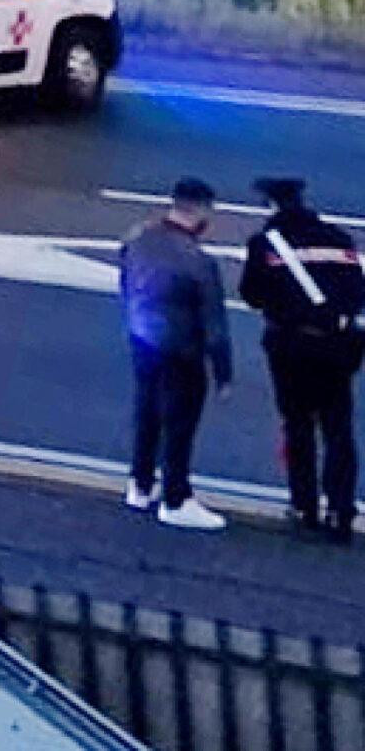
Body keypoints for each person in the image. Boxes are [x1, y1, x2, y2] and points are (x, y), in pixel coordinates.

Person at [239, 176, 363, 542]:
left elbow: (252, 295)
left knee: (298, 424)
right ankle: (341, 510)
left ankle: (305, 506)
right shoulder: (339, 239)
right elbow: (358, 292)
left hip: (290, 346)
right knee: (338, 428)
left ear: (271, 205)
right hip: (338, 346)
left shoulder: (265, 244)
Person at [119, 178, 235, 531]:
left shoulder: (138, 240)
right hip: (182, 351)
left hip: (142, 341)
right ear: (201, 211)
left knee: (147, 413)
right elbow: (215, 323)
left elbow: (125, 283)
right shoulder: (198, 262)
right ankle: (176, 498)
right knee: (179, 425)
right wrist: (223, 373)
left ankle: (140, 485)